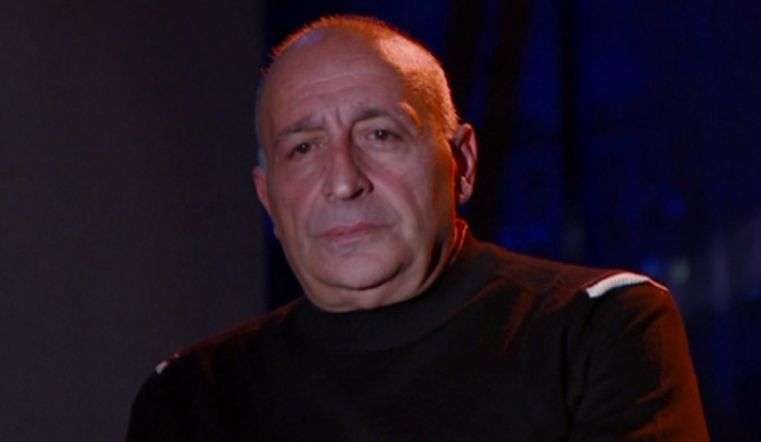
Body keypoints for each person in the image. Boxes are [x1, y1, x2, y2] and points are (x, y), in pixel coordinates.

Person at [126, 15, 709, 441]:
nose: (343, 181)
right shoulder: (190, 396)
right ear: (268, 197)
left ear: (463, 165)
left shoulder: (598, 328)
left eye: (380, 135)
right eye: (303, 148)